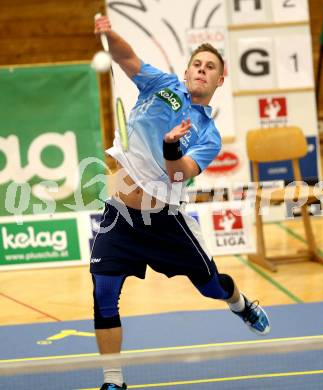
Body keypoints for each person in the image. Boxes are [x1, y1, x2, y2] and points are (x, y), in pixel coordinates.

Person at [91, 15, 270, 390]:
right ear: (187, 72)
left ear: (219, 80)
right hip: (119, 214)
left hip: (165, 221)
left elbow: (178, 173)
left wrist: (171, 145)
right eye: (197, 65)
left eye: (211, 69)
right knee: (103, 292)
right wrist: (109, 34)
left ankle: (240, 303)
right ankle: (113, 381)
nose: (202, 71)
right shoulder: (161, 85)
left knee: (209, 286)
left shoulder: (208, 134)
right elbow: (127, 59)